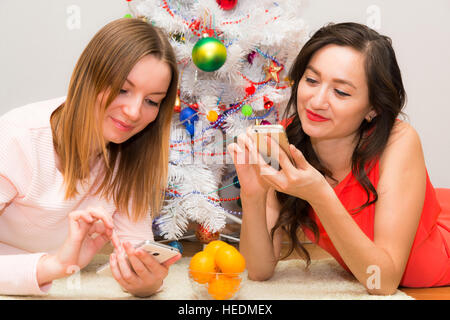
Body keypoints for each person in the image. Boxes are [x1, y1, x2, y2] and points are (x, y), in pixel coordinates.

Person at [228, 22, 449, 295]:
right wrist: (253, 196)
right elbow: (258, 271)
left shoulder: (399, 141)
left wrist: (320, 194)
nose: (317, 101)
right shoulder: (286, 140)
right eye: (311, 80)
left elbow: (384, 281)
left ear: (373, 108)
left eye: (341, 92)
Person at [0, 18, 181, 297]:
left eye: (152, 101)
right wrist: (55, 266)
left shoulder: (132, 156)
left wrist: (147, 282)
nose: (134, 112)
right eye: (123, 89)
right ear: (89, 77)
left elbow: (136, 251)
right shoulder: (16, 139)